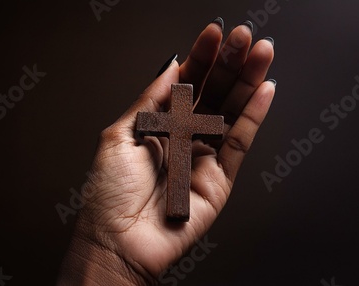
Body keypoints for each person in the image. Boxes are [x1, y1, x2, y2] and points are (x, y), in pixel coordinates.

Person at [58, 18, 276, 285]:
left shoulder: (191, 123)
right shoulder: (160, 120)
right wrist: (109, 252)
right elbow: (146, 120)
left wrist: (111, 259)